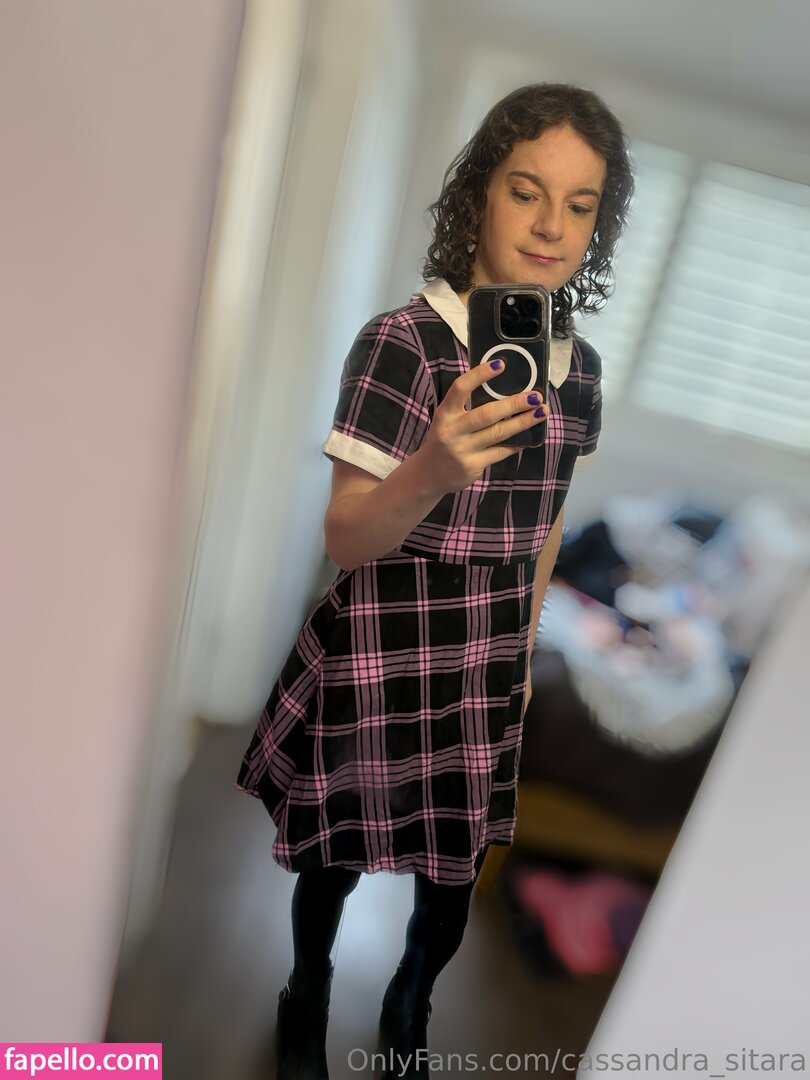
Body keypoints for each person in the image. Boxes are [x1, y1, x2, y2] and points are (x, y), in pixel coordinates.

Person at [236, 82, 634, 1079]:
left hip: (487, 661)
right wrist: (434, 468)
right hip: (383, 642)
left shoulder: (578, 372)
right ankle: (307, 992)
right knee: (333, 861)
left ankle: (410, 1006)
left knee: (452, 881)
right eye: (526, 191)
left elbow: (546, 522)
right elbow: (348, 539)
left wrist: (526, 649)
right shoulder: (401, 342)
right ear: (480, 194)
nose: (550, 227)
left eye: (579, 205)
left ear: (599, 226)